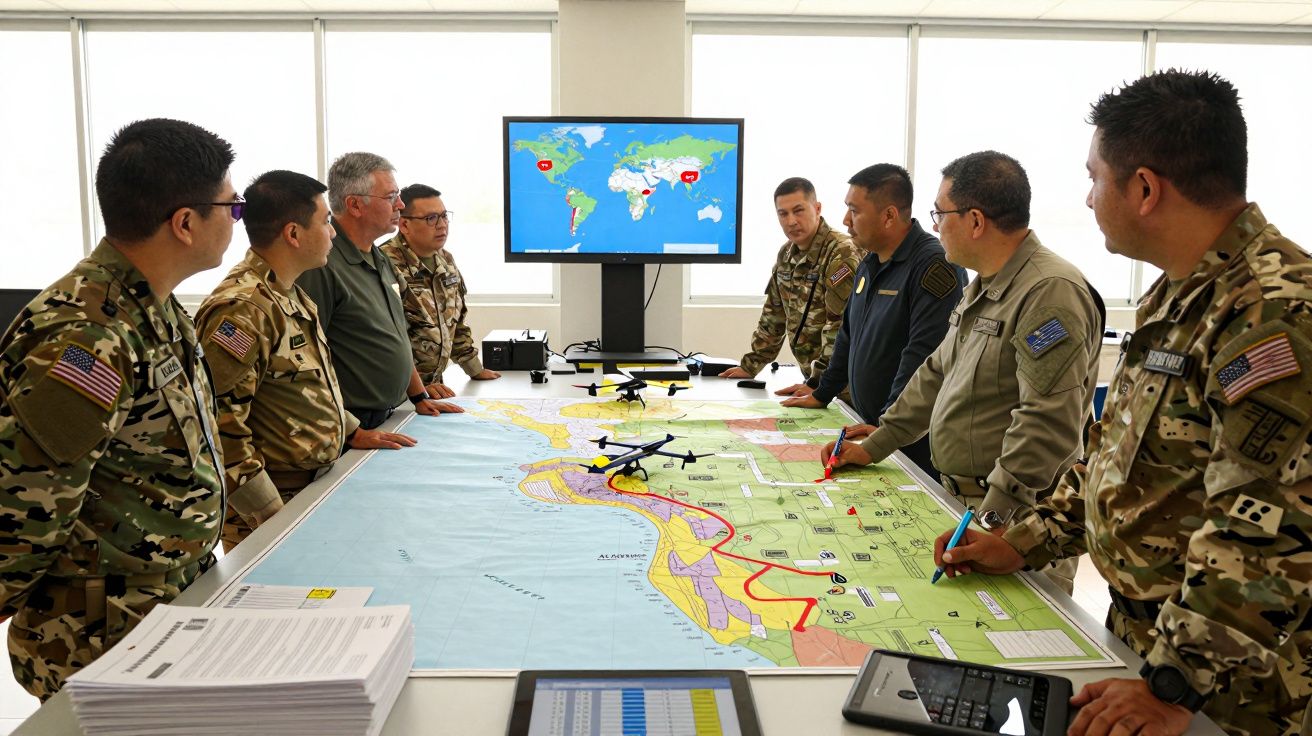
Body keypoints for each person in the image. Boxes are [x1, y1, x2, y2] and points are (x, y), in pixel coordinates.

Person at [932, 70, 1312, 736]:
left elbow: (1266, 534)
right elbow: (1115, 461)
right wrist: (1020, 541)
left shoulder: (1272, 311)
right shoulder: (1180, 294)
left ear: (1143, 188)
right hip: (1146, 644)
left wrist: (1173, 686)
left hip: (1233, 694)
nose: (1086, 198)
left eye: (1094, 177)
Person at [0, 118, 235, 699]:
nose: (237, 220)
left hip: (166, 608)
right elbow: (27, 504)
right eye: (232, 206)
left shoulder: (151, 306)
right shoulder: (89, 334)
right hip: (102, 634)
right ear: (185, 223)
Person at [823, 151, 1101, 593]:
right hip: (965, 504)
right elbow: (935, 373)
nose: (934, 226)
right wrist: (877, 443)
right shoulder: (985, 285)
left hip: (1014, 523)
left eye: (940, 213)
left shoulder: (1050, 293)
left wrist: (996, 516)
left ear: (975, 221)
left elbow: (1047, 422)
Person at [197, 170, 418, 553]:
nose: (332, 233)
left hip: (314, 483)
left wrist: (350, 430)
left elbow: (313, 384)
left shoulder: (291, 293)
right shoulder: (243, 309)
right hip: (272, 503)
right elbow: (218, 424)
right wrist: (269, 512)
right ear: (293, 234)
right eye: (325, 222)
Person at [778, 164, 964, 477]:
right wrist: (823, 392)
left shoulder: (933, 265)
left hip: (911, 440)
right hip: (872, 429)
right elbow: (847, 335)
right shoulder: (870, 261)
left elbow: (922, 357)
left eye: (854, 210)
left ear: (889, 215)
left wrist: (882, 429)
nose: (846, 220)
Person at [295, 152, 461, 428]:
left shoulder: (378, 257)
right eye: (390, 197)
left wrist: (418, 395)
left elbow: (396, 335)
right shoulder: (323, 264)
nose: (400, 204)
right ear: (355, 205)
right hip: (351, 424)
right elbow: (308, 362)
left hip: (389, 416)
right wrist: (350, 432)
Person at [720, 177, 860, 383]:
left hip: (842, 383)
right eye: (783, 214)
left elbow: (840, 328)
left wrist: (820, 384)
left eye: (798, 210)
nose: (791, 221)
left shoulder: (841, 253)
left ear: (818, 208)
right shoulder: (786, 255)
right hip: (813, 380)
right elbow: (773, 316)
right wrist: (750, 366)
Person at [381, 183, 500, 399]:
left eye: (444, 216)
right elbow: (385, 341)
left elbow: (456, 324)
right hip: (399, 393)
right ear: (404, 224)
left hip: (434, 390)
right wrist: (417, 389)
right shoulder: (384, 264)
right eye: (431, 218)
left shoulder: (445, 260)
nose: (442, 225)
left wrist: (475, 369)